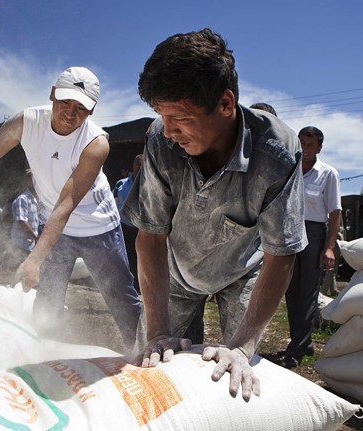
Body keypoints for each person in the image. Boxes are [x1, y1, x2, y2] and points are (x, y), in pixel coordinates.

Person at [123, 28, 307, 401]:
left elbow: (281, 253)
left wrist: (242, 346)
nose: (170, 130)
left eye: (181, 118)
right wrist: (157, 331)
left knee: (237, 379)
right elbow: (151, 236)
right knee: (152, 371)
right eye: (162, 116)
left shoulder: (278, 152)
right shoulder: (160, 138)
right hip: (176, 272)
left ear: (225, 104)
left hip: (242, 272)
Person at [0, 67, 142, 352]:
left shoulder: (96, 143)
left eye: (80, 108)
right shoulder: (26, 121)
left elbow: (66, 204)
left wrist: (34, 259)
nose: (70, 114)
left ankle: (142, 354)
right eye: (64, 102)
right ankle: (40, 355)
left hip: (98, 229)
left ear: (92, 111)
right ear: (52, 94)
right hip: (55, 227)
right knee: (47, 298)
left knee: (120, 296)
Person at [276, 126, 341, 369]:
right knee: (291, 291)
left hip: (314, 234)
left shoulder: (328, 174)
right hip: (290, 231)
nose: (304, 149)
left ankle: (296, 349)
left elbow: (334, 212)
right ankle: (303, 342)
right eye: (301, 143)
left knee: (307, 292)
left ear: (319, 147)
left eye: (310, 145)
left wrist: (329, 247)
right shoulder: (290, 170)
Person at [113, 154, 143, 292]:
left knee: (140, 260)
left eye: (142, 164)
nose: (139, 167)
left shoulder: (151, 185)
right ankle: (126, 287)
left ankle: (138, 288)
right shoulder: (121, 184)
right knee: (124, 259)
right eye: (137, 164)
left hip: (141, 230)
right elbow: (113, 203)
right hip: (124, 228)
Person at [8, 169, 39, 271]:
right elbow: (21, 221)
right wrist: (36, 237)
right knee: (19, 271)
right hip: (21, 245)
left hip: (30, 244)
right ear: (27, 181)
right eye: (32, 179)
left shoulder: (36, 199)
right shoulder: (23, 199)